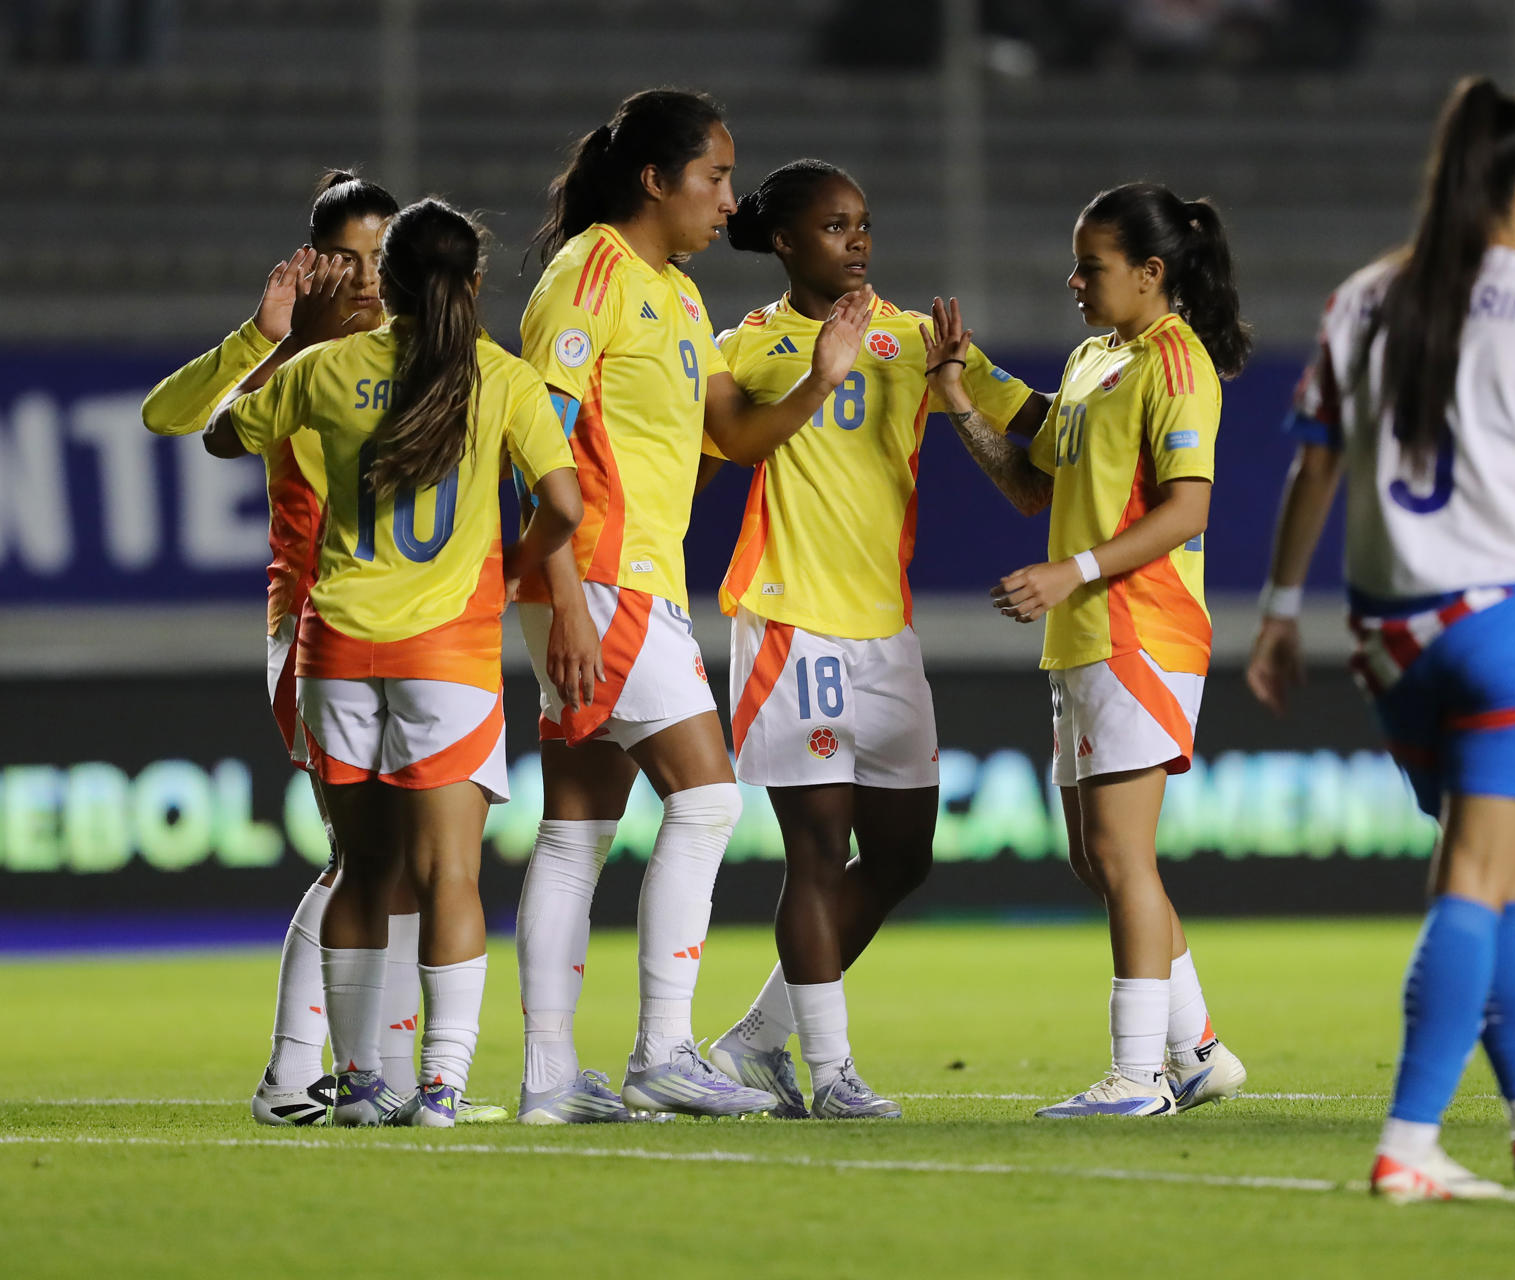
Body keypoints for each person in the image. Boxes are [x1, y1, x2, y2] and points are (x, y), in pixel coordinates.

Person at [1246, 76, 1515, 1201]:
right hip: (1510, 620)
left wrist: (1279, 611)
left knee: (1488, 870)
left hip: (1390, 636)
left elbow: (1313, 463)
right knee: (1475, 878)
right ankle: (1409, 1140)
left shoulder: (1364, 299)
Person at [510, 90, 874, 1123]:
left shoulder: (670, 298)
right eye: (713, 178)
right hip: (602, 574)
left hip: (626, 580)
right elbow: (536, 440)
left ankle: (548, 1078)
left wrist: (820, 375)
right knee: (708, 799)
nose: (729, 200)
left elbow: (739, 437)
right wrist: (567, 591)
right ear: (654, 181)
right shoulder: (589, 276)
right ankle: (664, 1047)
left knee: (577, 827)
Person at [205, 198, 582, 1126]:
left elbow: (222, 431)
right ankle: (442, 1087)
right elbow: (566, 507)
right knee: (450, 875)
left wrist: (291, 346)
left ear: (393, 281)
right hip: (446, 652)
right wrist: (508, 575)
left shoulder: (333, 368)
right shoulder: (502, 378)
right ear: (476, 283)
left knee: (361, 871)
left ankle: (360, 1081)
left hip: (335, 647)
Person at [700, 160, 1046, 1120]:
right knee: (815, 854)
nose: (855, 241)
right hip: (789, 621)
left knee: (904, 855)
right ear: (784, 241)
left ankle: (757, 1041)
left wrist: (961, 387)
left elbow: (1038, 447)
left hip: (885, 633)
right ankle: (833, 1072)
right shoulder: (744, 348)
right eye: (833, 226)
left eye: (862, 224)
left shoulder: (916, 338)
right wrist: (819, 378)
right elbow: (723, 452)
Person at [143, 171, 487, 1124]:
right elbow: (172, 419)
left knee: (398, 862)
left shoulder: (427, 360)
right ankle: (301, 1070)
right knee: (361, 861)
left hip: (406, 631)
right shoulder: (301, 364)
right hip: (312, 624)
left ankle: (365, 1072)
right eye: (352, 258)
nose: (372, 276)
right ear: (317, 265)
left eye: (386, 257)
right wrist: (265, 335)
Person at [945, 182, 1250, 1118]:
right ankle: (1196, 1050)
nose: (1073, 280)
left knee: (1122, 856)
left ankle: (1138, 1075)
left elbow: (1187, 509)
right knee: (1097, 857)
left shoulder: (1177, 363)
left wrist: (1071, 572)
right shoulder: (1093, 361)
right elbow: (1036, 467)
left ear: (1152, 272)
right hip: (1085, 636)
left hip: (1140, 630)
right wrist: (962, 387)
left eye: (1094, 265)